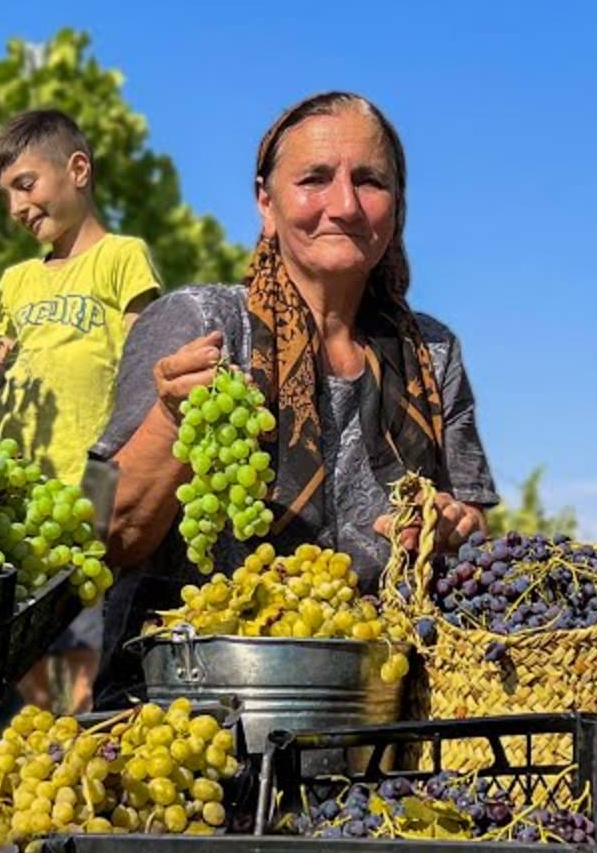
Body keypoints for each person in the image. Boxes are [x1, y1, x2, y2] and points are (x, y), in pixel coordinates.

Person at [88, 91, 498, 702]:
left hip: (366, 706)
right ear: (265, 201)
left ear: (397, 205)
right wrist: (174, 420)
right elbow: (100, 531)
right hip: (187, 708)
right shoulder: (198, 321)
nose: (344, 205)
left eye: (370, 181)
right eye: (314, 179)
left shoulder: (433, 354)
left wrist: (452, 525)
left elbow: (472, 524)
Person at [0, 110, 162, 713]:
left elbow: (142, 362)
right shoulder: (17, 281)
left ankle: (64, 745)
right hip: (15, 485)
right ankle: (3, 746)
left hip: (88, 479)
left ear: (77, 170)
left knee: (77, 628)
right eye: (6, 197)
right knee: (6, 634)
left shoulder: (122, 257)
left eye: (25, 184)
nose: (17, 207)